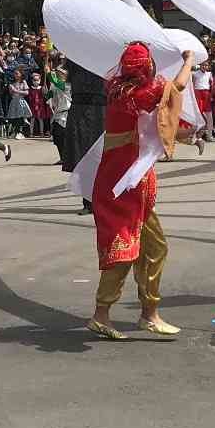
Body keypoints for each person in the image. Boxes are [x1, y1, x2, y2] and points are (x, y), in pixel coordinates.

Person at [85, 43, 194, 340]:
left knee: (154, 248)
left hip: (133, 188)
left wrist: (186, 135)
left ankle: (149, 313)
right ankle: (102, 314)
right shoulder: (135, 94)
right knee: (123, 253)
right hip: (120, 190)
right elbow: (178, 86)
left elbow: (152, 128)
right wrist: (189, 61)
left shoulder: (126, 94)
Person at [63, 60, 105, 211]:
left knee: (100, 158)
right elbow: (67, 76)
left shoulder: (105, 59)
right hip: (80, 110)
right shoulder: (75, 57)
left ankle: (100, 200)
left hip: (100, 111)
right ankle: (88, 201)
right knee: (82, 157)